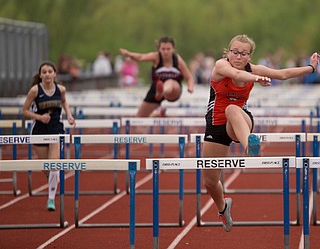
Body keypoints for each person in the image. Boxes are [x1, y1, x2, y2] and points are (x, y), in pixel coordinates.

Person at [202, 34, 319, 232]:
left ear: (250, 56)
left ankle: (250, 146)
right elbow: (237, 76)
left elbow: (282, 74)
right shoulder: (221, 66)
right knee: (211, 182)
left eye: (243, 53)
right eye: (235, 52)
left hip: (241, 121)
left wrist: (311, 68)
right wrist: (256, 78)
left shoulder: (253, 69)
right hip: (216, 125)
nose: (238, 57)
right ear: (228, 52)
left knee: (232, 109)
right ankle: (223, 208)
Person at [22, 61, 76, 211]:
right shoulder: (35, 91)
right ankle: (53, 180)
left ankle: (51, 199)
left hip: (56, 129)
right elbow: (24, 111)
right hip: (39, 129)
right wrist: (39, 117)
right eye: (44, 72)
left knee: (54, 165)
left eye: (49, 71)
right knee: (46, 167)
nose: (47, 74)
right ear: (40, 75)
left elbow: (64, 102)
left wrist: (70, 116)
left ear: (54, 74)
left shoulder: (61, 89)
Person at [120, 36, 194, 117]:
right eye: (163, 49)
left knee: (170, 82)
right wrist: (129, 54)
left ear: (173, 49)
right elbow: (141, 57)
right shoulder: (156, 57)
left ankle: (163, 90)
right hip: (155, 90)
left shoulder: (177, 60)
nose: (165, 52)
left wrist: (190, 87)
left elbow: (189, 77)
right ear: (159, 49)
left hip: (173, 90)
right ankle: (157, 114)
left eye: (168, 49)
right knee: (139, 117)